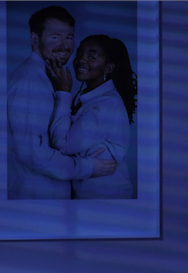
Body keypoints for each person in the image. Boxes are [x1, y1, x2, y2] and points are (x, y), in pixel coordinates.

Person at [7, 6, 116, 199]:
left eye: (69, 37)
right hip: (37, 200)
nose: (65, 45)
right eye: (55, 37)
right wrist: (88, 166)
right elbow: (33, 153)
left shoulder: (48, 77)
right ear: (35, 40)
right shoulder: (30, 81)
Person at [45, 34, 136, 199]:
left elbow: (62, 145)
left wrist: (63, 92)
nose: (81, 60)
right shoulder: (90, 98)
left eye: (92, 56)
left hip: (107, 197)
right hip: (92, 196)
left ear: (108, 68)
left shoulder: (106, 105)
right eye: (79, 54)